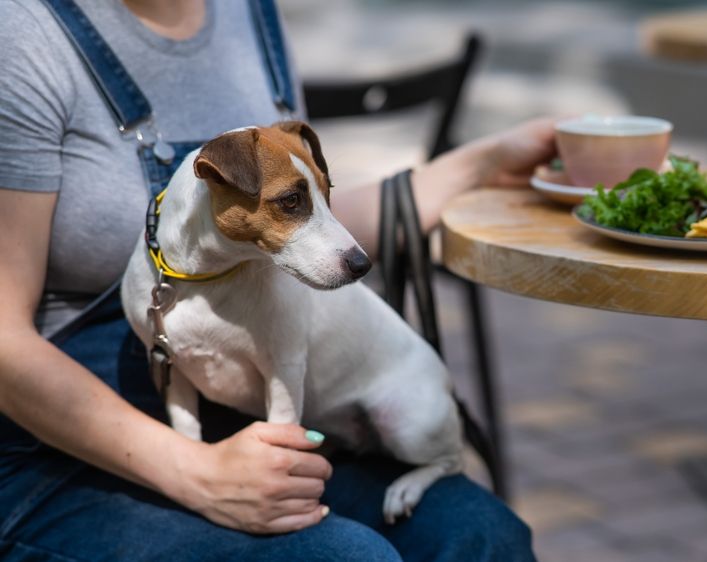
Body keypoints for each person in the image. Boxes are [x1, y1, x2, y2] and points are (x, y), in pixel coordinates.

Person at [0, 0, 555, 560]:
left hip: (251, 412)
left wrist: (479, 165)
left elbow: (295, 220)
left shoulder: (250, 14)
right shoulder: (23, 32)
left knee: (487, 538)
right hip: (59, 434)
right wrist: (196, 474)